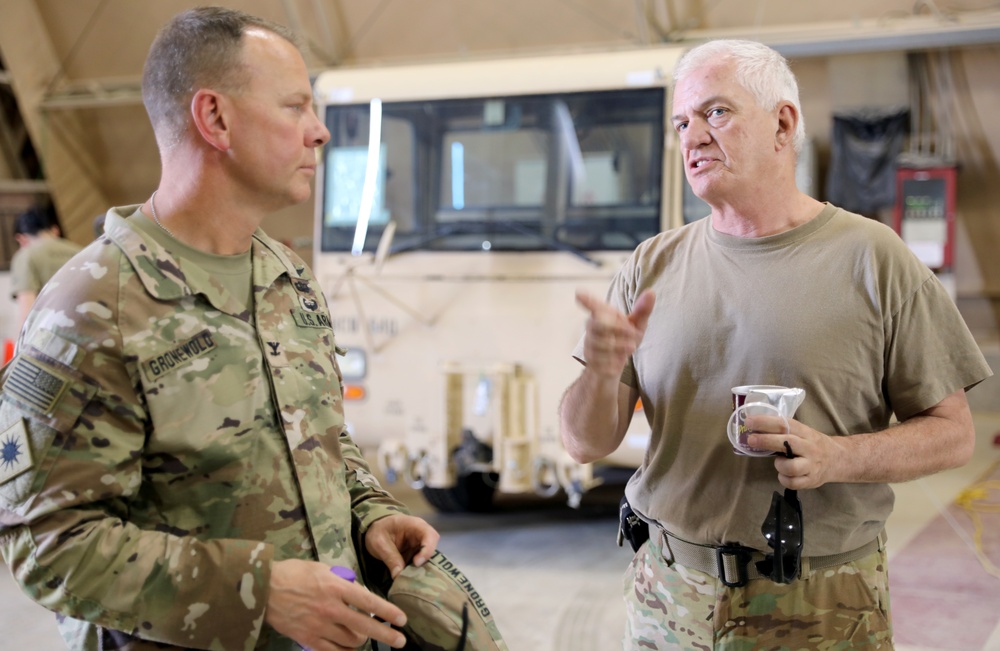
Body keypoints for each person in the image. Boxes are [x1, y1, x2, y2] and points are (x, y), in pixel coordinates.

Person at [0, 7, 506, 651]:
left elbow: (319, 436)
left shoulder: (283, 272)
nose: (318, 132)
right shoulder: (94, 304)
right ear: (215, 118)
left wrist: (370, 511)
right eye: (295, 107)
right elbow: (45, 541)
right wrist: (258, 590)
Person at [559, 39, 992, 650]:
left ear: (782, 123)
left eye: (715, 113)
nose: (692, 137)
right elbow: (583, 443)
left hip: (820, 600)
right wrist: (599, 375)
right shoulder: (650, 266)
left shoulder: (875, 260)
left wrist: (837, 458)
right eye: (681, 122)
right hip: (667, 591)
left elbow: (954, 433)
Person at [9, 202, 82, 330]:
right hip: (92, 337)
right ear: (55, 230)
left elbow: (27, 315)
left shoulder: (26, 256)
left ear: (21, 239)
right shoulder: (82, 251)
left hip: (51, 339)